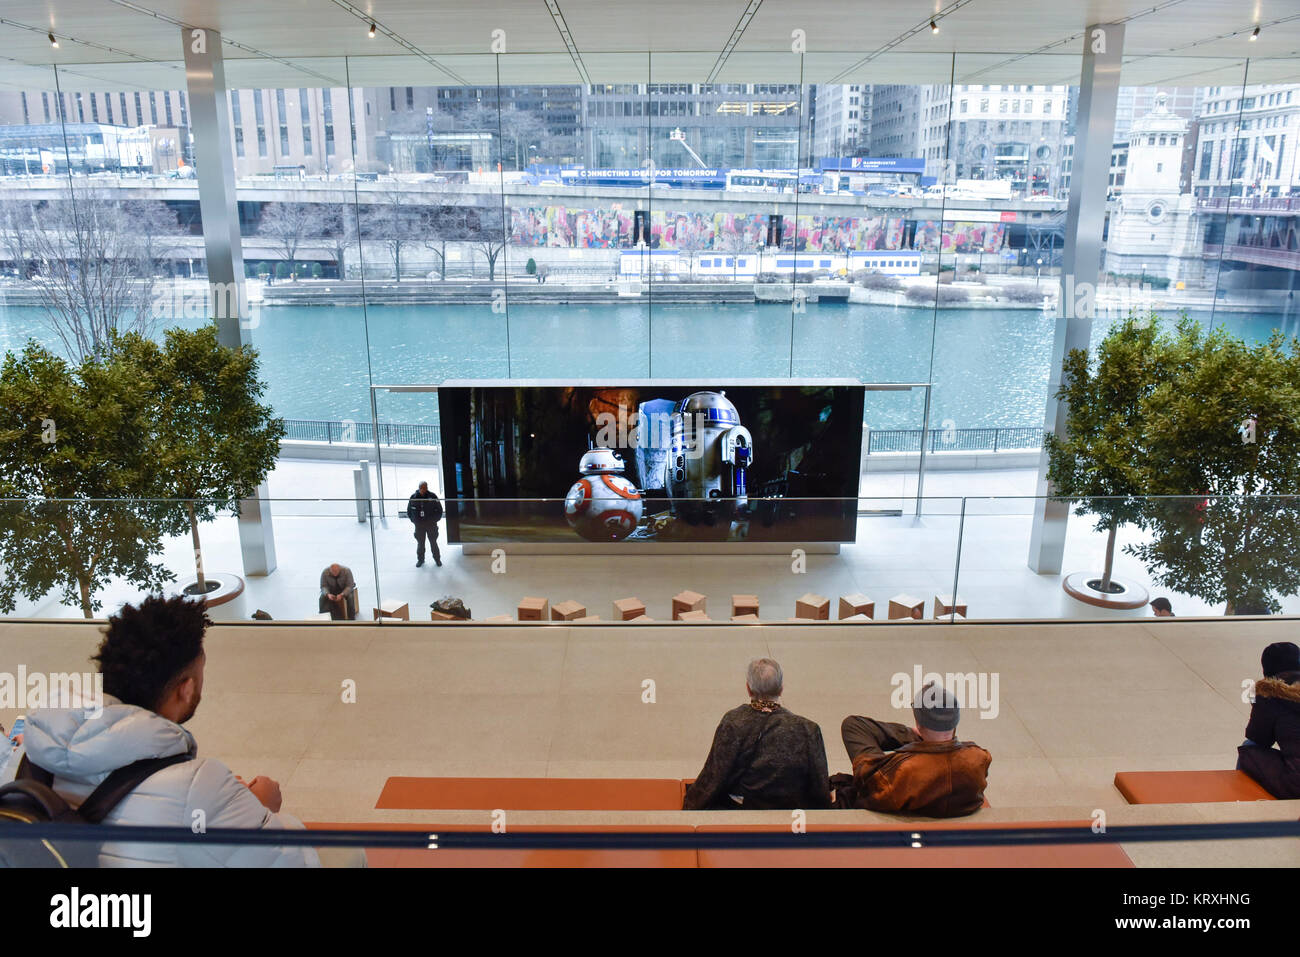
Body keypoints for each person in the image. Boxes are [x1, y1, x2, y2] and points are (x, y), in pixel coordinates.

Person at [21, 595, 321, 867]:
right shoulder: (197, 786)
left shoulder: (29, 753)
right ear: (186, 689)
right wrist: (263, 810)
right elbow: (294, 861)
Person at [683, 659, 831, 810]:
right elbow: (820, 787)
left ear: (748, 688)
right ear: (781, 689)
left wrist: (690, 805)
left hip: (743, 810)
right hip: (791, 812)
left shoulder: (733, 722)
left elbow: (714, 776)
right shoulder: (809, 729)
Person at [839, 681, 991, 817]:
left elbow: (866, 781)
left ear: (918, 724)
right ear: (955, 722)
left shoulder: (904, 769)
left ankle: (923, 736)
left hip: (901, 787)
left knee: (852, 725)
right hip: (943, 789)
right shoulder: (979, 757)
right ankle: (933, 739)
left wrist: (911, 734)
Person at [1237, 642, 1300, 798]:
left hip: (1296, 785)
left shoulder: (1270, 693)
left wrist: (1260, 705)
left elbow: (1258, 738)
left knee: (1249, 747)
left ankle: (1238, 800)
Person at [406, 481, 443, 567]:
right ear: (419, 488)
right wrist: (414, 521)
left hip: (431, 525)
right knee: (420, 544)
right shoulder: (413, 498)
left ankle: (437, 559)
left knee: (433, 543)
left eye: (425, 488)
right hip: (419, 526)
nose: (424, 490)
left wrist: (434, 520)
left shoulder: (433, 497)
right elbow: (409, 511)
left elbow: (440, 511)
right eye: (422, 488)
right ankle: (420, 560)